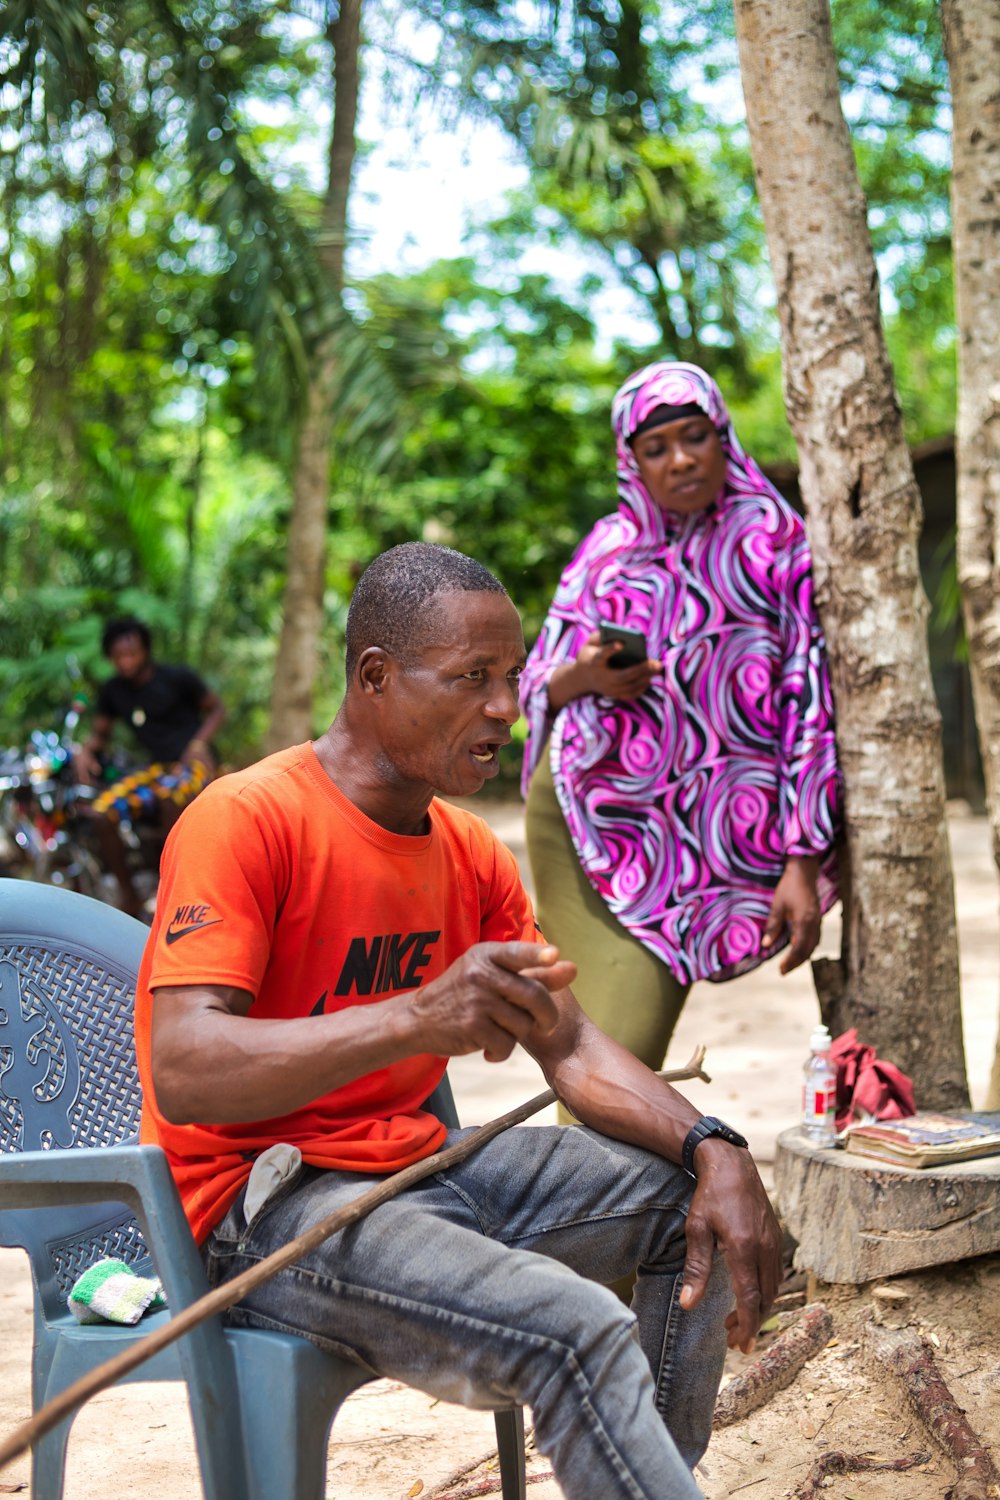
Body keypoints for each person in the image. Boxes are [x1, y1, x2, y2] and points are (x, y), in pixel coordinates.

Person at [134, 542, 783, 1500]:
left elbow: (568, 1043)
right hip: (266, 1213)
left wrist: (715, 1146)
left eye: (513, 678)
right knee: (571, 1327)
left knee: (691, 1208)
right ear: (375, 678)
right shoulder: (248, 820)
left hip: (423, 1166)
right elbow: (185, 1067)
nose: (507, 710)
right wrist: (411, 1020)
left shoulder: (469, 849)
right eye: (472, 679)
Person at [520, 360, 842, 1091]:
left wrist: (803, 857)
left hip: (722, 834)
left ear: (721, 435)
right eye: (656, 449)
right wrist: (590, 678)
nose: (681, 459)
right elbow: (539, 677)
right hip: (591, 823)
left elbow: (808, 698)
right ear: (632, 464)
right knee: (603, 1051)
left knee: (611, 1060)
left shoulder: (774, 541)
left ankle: (619, 1199)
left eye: (694, 436)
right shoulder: (607, 548)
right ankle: (606, 1199)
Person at [74, 616, 225, 916]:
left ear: (145, 651)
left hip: (191, 762)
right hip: (155, 768)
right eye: (118, 656)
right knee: (102, 812)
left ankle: (173, 890)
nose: (126, 661)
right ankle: (129, 896)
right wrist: (85, 751)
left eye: (131, 653)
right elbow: (100, 735)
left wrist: (198, 744)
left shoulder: (176, 677)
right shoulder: (114, 690)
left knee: (170, 798)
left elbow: (217, 708)